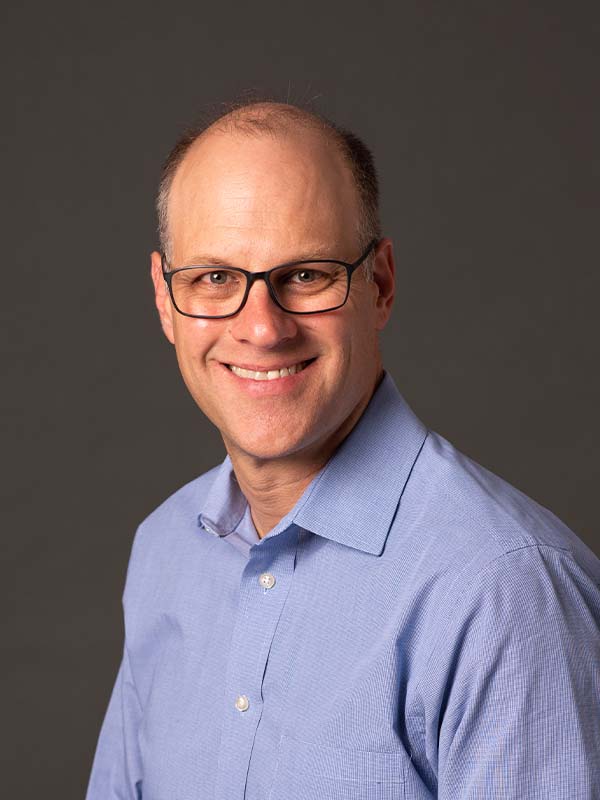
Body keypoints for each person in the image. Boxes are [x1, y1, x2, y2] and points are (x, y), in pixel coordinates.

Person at [86, 101, 600, 800]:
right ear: (165, 300)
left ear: (379, 285)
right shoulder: (165, 552)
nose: (262, 329)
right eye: (214, 278)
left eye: (306, 275)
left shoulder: (504, 593)